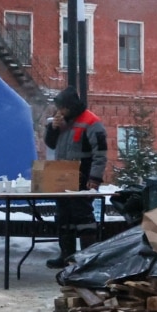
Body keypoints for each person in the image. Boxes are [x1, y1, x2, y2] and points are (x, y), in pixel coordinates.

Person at [43, 86, 108, 269]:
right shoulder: (61, 121)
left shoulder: (92, 122)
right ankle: (66, 256)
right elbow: (51, 144)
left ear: (70, 106)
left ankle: (88, 258)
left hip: (82, 174)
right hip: (62, 174)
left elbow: (100, 154)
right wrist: (52, 128)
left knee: (83, 217)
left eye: (62, 108)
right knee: (63, 216)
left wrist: (94, 179)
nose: (59, 112)